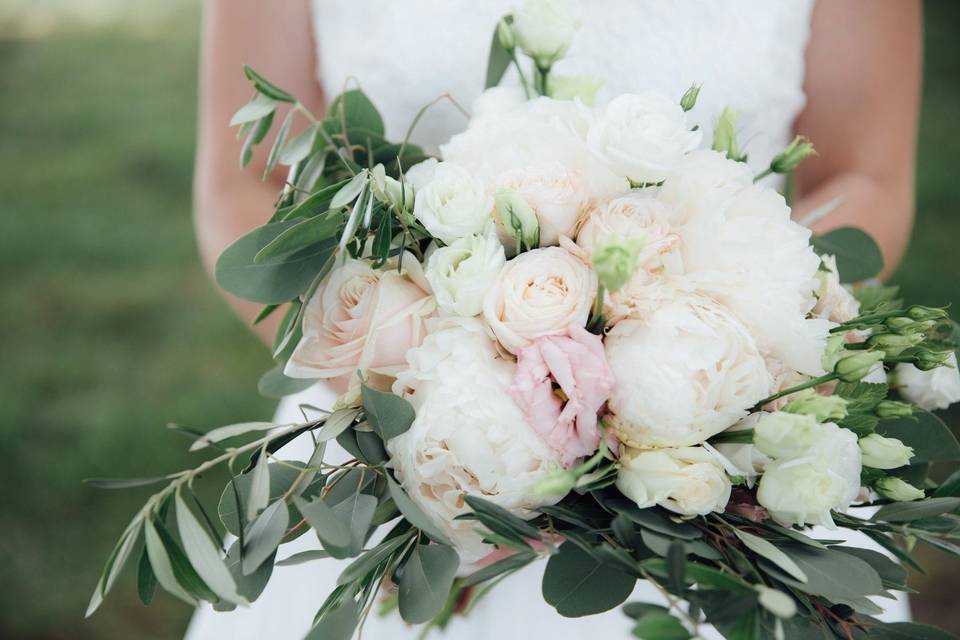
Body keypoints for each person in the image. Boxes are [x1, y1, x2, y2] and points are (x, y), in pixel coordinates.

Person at [189, 1, 921, 638]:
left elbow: (866, 173)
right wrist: (405, 403)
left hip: (717, 435)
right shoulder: (400, 409)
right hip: (408, 430)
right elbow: (243, 185)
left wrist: (732, 354)